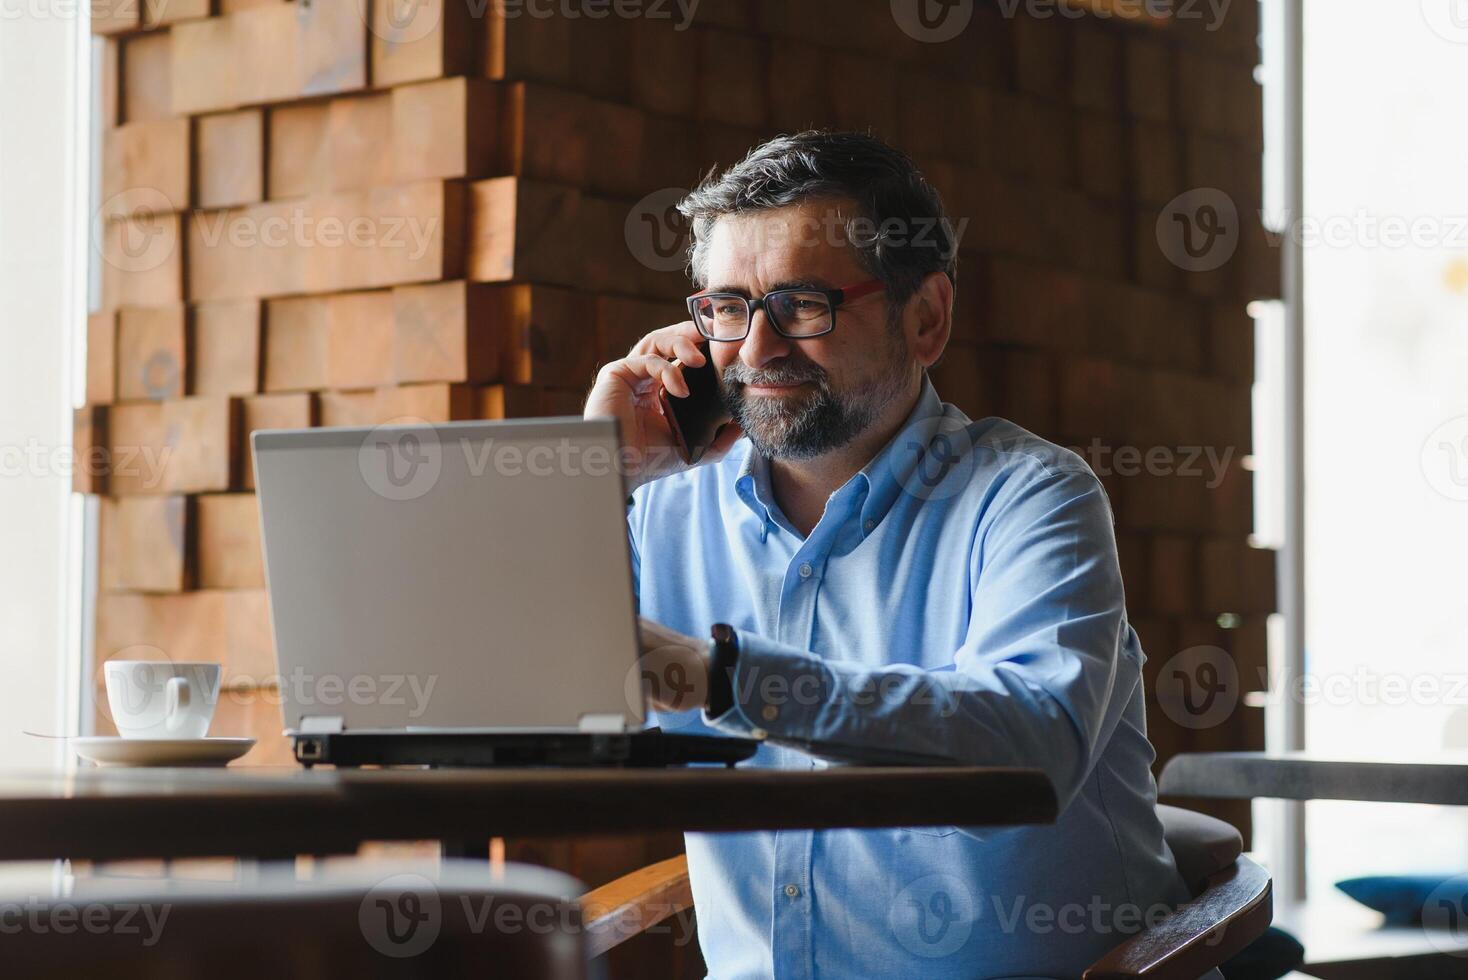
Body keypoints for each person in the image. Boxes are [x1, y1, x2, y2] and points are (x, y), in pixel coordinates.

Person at [584, 129, 1192, 979]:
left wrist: (722, 677)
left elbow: (1031, 749)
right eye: (727, 308)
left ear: (927, 317)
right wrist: (597, 472)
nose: (755, 351)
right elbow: (501, 703)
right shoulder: (664, 505)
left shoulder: (1032, 495)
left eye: (801, 305)